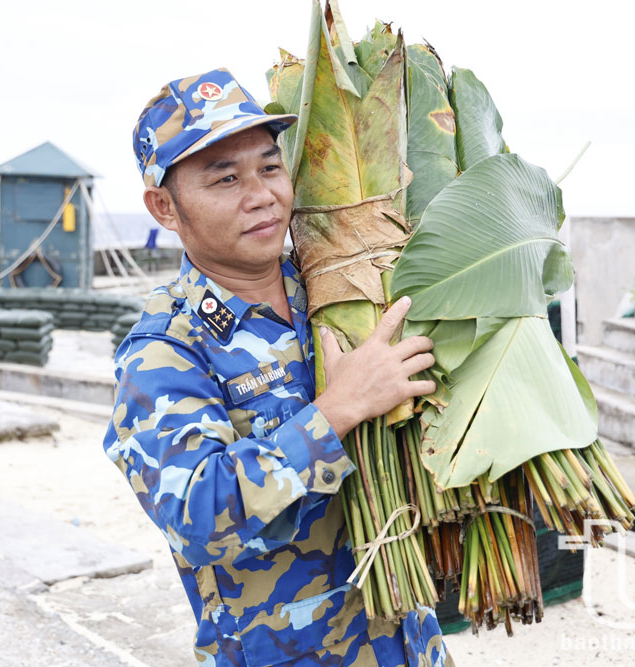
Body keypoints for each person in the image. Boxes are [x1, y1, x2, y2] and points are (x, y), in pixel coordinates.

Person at [103, 68, 453, 666]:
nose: (261, 194)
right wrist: (336, 411)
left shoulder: (337, 285)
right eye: (225, 179)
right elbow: (197, 516)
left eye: (269, 167)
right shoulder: (164, 352)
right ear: (165, 206)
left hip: (412, 645)